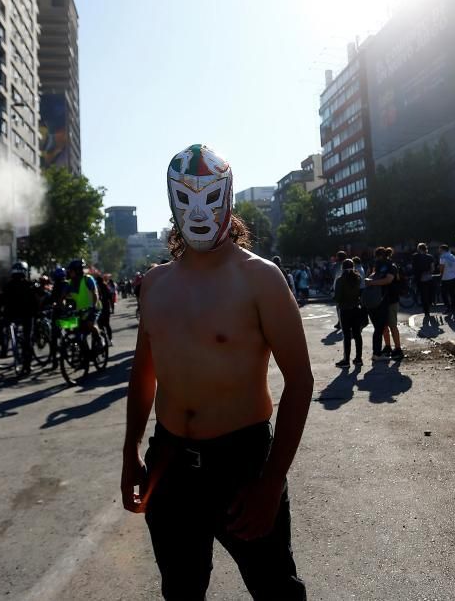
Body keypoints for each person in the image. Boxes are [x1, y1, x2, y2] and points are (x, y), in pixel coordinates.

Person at [121, 144, 311, 600]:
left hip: (241, 463)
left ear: (228, 200)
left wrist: (270, 483)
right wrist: (130, 451)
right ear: (172, 204)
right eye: (187, 198)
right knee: (181, 592)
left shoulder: (261, 279)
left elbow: (300, 381)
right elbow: (144, 372)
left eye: (210, 197)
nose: (199, 211)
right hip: (169, 462)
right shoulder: (155, 283)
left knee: (276, 591)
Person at [4, 261, 39, 377]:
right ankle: (27, 365)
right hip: (27, 316)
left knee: (10, 335)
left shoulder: (8, 285)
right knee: (28, 340)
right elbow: (35, 302)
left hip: (12, 316)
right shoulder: (29, 285)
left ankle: (5, 350)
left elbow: (2, 302)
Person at [334, 259, 365, 367]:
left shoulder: (340, 280)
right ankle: (358, 358)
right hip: (356, 308)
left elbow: (337, 297)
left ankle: (346, 360)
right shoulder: (358, 278)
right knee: (357, 334)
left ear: (342, 268)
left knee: (346, 335)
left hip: (345, 309)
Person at [376, 248, 403, 360]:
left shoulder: (391, 266)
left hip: (391, 299)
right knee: (384, 326)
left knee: (392, 325)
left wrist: (372, 282)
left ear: (379, 256)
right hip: (382, 299)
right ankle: (388, 347)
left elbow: (389, 280)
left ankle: (398, 349)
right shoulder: (379, 265)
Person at [411, 243, 436, 323]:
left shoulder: (415, 256)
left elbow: (413, 267)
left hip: (420, 278)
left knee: (423, 295)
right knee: (429, 293)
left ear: (419, 249)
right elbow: (432, 268)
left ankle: (426, 312)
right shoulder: (430, 257)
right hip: (428, 277)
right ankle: (431, 303)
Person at [438, 244, 455, 318]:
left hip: (445, 278)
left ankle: (448, 308)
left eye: (440, 249)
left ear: (443, 250)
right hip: (453, 277)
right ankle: (453, 309)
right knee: (453, 294)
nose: (439, 251)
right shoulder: (453, 256)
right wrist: (453, 272)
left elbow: (441, 268)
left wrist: (441, 275)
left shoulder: (442, 257)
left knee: (444, 294)